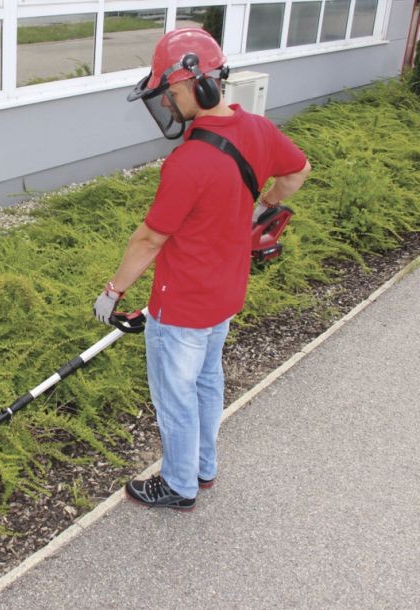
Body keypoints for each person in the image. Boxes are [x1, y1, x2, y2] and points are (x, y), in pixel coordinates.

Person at [93, 28, 311, 511]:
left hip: (181, 307)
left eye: (170, 93)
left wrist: (112, 293)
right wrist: (263, 206)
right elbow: (298, 171)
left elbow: (149, 239)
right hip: (225, 296)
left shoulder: (188, 162)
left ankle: (178, 485)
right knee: (207, 381)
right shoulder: (258, 129)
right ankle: (203, 467)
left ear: (199, 85)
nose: (168, 104)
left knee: (175, 397)